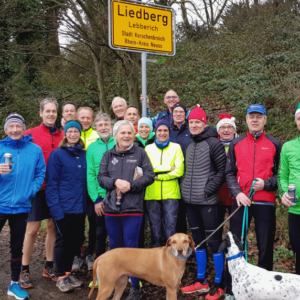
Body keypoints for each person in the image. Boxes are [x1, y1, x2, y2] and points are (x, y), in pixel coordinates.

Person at [225, 104, 281, 299]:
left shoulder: (275, 143)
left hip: (265, 202)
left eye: (259, 116)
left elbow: (281, 176)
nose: (255, 120)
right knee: (235, 245)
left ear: (265, 120)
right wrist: (237, 192)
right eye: (251, 117)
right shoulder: (236, 143)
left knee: (265, 245)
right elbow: (229, 173)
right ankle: (232, 289)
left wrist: (266, 184)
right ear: (246, 120)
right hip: (241, 201)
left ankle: (265, 290)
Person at [97, 120, 154, 300]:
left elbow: (150, 176)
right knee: (115, 249)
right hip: (112, 209)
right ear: (116, 136)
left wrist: (132, 185)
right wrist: (115, 182)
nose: (127, 136)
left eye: (129, 133)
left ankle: (135, 287)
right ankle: (117, 286)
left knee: (131, 250)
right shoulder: (107, 155)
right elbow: (101, 178)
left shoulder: (140, 153)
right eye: (123, 133)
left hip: (133, 208)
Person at [180, 105, 227, 300]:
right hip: (190, 202)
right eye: (191, 122)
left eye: (197, 122)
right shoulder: (189, 144)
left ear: (204, 123)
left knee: (214, 242)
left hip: (208, 202)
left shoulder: (214, 144)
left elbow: (221, 172)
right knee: (198, 241)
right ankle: (201, 281)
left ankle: (220, 283)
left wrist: (208, 190)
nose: (193, 125)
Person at [0, 113, 45, 300]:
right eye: (11, 126)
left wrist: (30, 191)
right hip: (1, 204)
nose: (15, 130)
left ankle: (14, 284)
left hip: (21, 206)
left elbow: (40, 173)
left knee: (17, 247)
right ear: (6, 129)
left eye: (18, 126)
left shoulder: (34, 149)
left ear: (23, 128)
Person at [21, 98, 64, 289]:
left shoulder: (64, 134)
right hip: (37, 189)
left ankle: (48, 266)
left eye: (54, 111)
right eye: (47, 111)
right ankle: (23, 270)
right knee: (31, 230)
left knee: (52, 228)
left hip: (57, 189)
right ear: (41, 113)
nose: (51, 114)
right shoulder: (29, 134)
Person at [46, 120, 86, 293]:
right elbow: (52, 184)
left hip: (80, 207)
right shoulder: (57, 154)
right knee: (62, 241)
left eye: (76, 131)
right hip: (63, 207)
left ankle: (69, 273)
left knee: (75, 242)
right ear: (65, 133)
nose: (73, 134)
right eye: (69, 131)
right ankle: (61, 276)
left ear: (79, 134)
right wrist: (55, 209)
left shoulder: (84, 154)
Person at [144, 120, 184, 247]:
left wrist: (159, 176)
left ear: (169, 132)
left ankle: (171, 261)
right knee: (155, 232)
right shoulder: (148, 148)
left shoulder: (176, 147)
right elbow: (146, 170)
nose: (162, 133)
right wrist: (167, 168)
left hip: (171, 194)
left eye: (165, 130)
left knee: (170, 231)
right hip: (151, 194)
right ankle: (156, 263)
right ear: (155, 132)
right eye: (159, 130)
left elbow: (179, 171)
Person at [86, 113, 115, 287]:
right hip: (100, 198)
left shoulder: (118, 142)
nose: (103, 127)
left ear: (111, 126)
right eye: (100, 125)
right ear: (96, 127)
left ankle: (119, 269)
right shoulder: (91, 148)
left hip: (119, 198)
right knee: (99, 234)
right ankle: (99, 274)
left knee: (117, 235)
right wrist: (96, 199)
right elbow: (90, 175)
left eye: (106, 124)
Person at [75, 106, 99, 271]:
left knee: (94, 223)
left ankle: (91, 253)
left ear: (92, 119)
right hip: (76, 187)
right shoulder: (72, 134)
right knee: (77, 223)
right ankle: (76, 254)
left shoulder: (97, 136)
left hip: (93, 186)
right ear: (77, 118)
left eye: (88, 117)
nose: (85, 120)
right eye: (82, 117)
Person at [278, 101, 300, 275]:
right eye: (299, 119)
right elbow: (282, 176)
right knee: (298, 252)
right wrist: (284, 193)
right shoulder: (288, 147)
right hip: (296, 211)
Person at [169, 102, 192, 234]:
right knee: (177, 214)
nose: (178, 114)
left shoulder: (191, 130)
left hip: (188, 177)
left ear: (185, 114)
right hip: (172, 177)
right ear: (172, 114)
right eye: (175, 112)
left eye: (181, 112)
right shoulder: (167, 131)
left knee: (190, 212)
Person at [134, 117, 155, 248]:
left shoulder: (156, 140)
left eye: (147, 126)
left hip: (154, 187)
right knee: (139, 222)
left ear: (151, 128)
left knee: (155, 222)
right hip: (138, 187)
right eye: (141, 126)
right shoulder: (134, 142)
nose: (144, 129)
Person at [216, 114, 237, 236]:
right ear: (218, 130)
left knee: (236, 227)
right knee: (216, 225)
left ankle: (236, 252)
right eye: (223, 127)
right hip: (217, 193)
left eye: (229, 127)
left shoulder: (240, 144)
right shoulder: (212, 144)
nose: (226, 130)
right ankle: (218, 253)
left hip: (235, 193)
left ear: (234, 129)